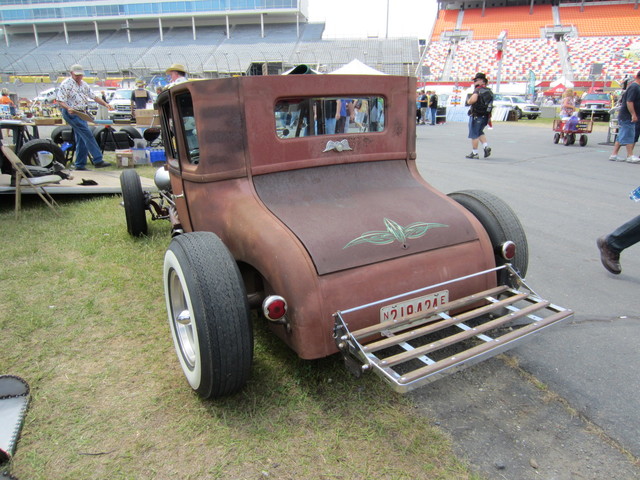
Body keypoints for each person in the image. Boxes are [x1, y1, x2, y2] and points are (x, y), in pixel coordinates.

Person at [56, 64, 113, 170]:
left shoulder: (84, 84)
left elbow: (94, 97)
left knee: (82, 138)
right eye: (76, 75)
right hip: (72, 113)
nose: (79, 77)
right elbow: (60, 100)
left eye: (80, 75)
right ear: (71, 73)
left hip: (82, 112)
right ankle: (98, 160)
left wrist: (105, 104)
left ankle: (80, 164)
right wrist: (68, 108)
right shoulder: (66, 84)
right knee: (88, 135)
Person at [609, 71, 640, 163]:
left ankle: (614, 154)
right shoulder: (634, 87)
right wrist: (633, 114)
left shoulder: (636, 87)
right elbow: (629, 102)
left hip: (628, 115)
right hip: (628, 115)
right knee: (629, 134)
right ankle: (630, 155)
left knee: (623, 134)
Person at [465, 72, 493, 159]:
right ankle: (486, 146)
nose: (474, 82)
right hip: (486, 115)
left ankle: (475, 152)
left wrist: (468, 101)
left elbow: (473, 100)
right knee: (480, 131)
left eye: (476, 80)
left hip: (477, 115)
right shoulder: (489, 91)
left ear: (481, 81)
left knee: (474, 134)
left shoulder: (477, 90)